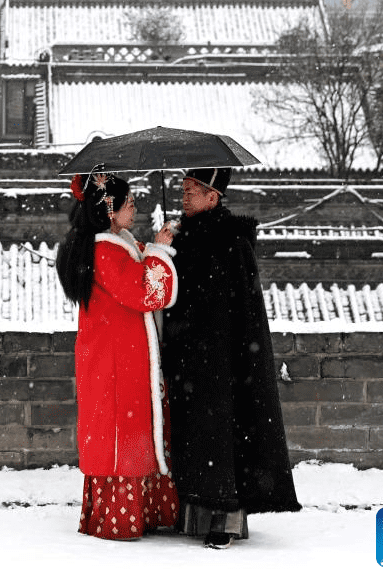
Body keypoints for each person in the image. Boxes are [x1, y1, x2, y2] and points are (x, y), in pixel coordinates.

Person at [162, 167, 301, 550]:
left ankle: (226, 517)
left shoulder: (232, 242)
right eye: (184, 189)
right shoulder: (182, 239)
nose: (186, 196)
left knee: (223, 440)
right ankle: (194, 513)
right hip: (189, 359)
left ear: (214, 196)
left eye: (193, 190)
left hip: (224, 360)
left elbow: (244, 311)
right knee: (194, 440)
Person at [56, 170, 181, 541]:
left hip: (113, 358)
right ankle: (121, 517)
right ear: (109, 210)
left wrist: (150, 249)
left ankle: (124, 512)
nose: (135, 208)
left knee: (122, 432)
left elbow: (134, 272)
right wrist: (159, 251)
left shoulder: (112, 245)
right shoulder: (106, 251)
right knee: (122, 436)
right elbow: (147, 292)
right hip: (117, 363)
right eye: (129, 203)